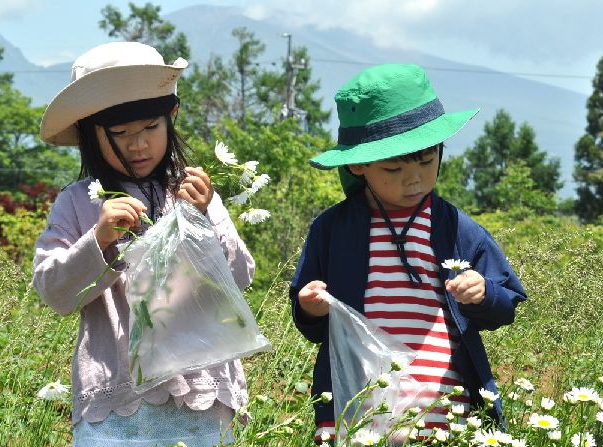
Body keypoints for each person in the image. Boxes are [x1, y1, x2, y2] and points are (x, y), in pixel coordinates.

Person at [290, 64, 527, 444]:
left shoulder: (456, 228)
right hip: (358, 411)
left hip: (444, 414)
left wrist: (483, 294)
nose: (413, 178)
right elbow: (312, 325)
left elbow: (506, 304)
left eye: (426, 161)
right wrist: (310, 307)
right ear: (358, 164)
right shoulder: (333, 230)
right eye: (394, 168)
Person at [33, 41, 255, 447]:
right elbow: (56, 292)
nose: (138, 145)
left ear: (172, 116)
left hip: (202, 398)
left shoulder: (192, 193)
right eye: (119, 133)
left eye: (150, 128)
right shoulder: (78, 203)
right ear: (89, 134)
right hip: (115, 406)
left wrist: (203, 220)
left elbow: (238, 279)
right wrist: (100, 239)